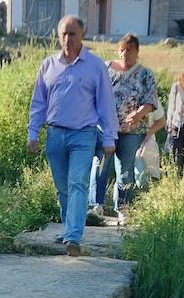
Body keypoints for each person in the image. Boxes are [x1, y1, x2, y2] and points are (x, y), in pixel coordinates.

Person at [26, 16, 117, 257]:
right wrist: (33, 131)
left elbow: (106, 104)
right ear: (58, 36)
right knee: (63, 188)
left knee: (78, 183)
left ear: (82, 35)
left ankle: (74, 237)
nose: (68, 38)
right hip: (55, 135)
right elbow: (38, 102)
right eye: (64, 34)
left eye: (73, 34)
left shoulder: (95, 66)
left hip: (83, 135)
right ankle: (69, 230)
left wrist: (109, 138)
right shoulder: (48, 65)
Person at [91, 33, 158, 221]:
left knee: (125, 169)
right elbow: (92, 93)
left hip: (132, 131)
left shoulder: (145, 74)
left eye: (129, 50)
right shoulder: (105, 69)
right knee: (100, 166)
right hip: (105, 129)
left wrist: (138, 114)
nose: (125, 54)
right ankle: (96, 206)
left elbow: (151, 101)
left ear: (137, 52)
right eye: (122, 50)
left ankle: (123, 208)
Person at [135, 91, 167, 188]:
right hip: (125, 141)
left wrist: (147, 136)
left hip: (147, 142)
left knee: (149, 176)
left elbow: (161, 121)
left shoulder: (151, 97)